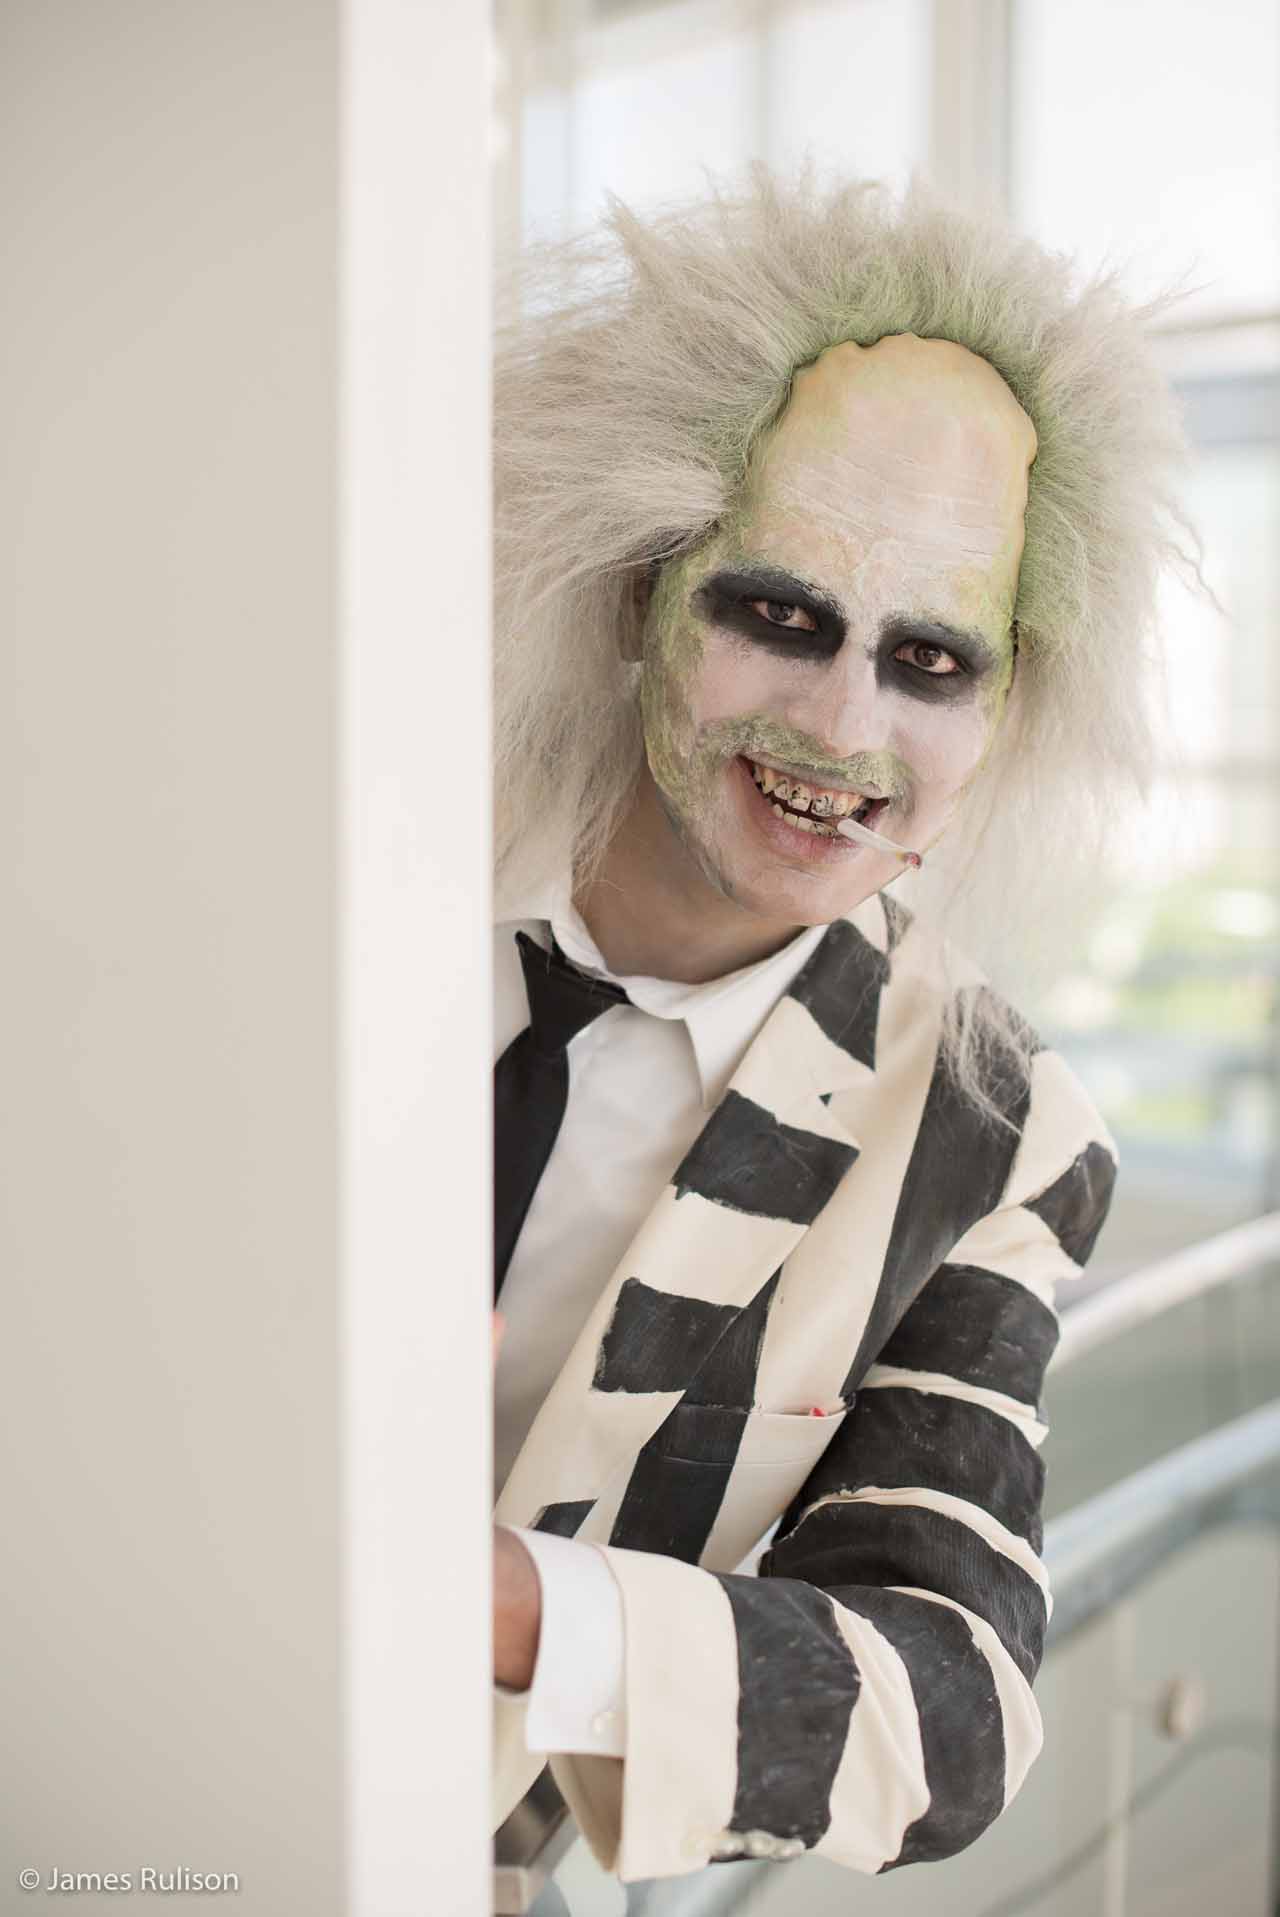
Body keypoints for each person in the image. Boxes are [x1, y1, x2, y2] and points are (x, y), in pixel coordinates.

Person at [489, 170, 1191, 1883]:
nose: (844, 723)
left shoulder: (989, 1134)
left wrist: (509, 1608)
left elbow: (949, 1712)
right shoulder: (351, 855)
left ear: (1008, 701)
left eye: (931, 662)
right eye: (778, 615)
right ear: (641, 588)